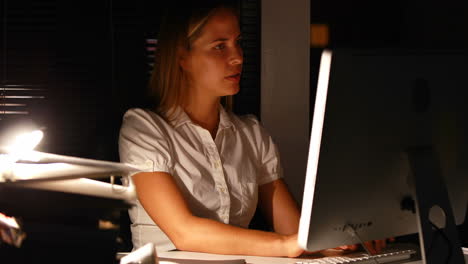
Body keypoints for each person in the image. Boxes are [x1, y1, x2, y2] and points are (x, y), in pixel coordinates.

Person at [118, 1, 386, 257]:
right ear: (181, 57)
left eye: (239, 43)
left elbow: (294, 233)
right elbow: (185, 233)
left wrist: (339, 240)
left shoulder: (250, 134)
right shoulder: (144, 129)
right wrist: (287, 244)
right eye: (220, 46)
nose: (237, 58)